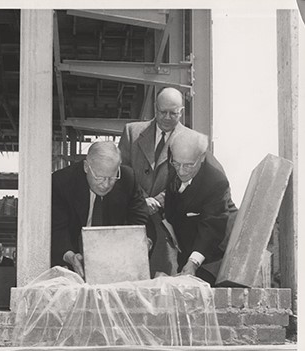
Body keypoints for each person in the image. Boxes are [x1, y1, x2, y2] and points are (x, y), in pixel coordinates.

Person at [51, 141, 151, 279]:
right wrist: (70, 256)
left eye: (111, 178)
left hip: (115, 260)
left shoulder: (128, 178)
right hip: (73, 259)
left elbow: (141, 220)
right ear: (86, 167)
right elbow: (57, 229)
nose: (105, 185)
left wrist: (142, 241)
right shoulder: (62, 182)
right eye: (99, 178)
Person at [118, 87, 186, 273]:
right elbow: (121, 172)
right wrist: (141, 199)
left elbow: (186, 180)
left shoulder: (191, 140)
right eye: (162, 112)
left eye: (173, 113)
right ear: (155, 108)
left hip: (167, 223)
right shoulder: (131, 132)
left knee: (164, 278)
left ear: (182, 111)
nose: (166, 117)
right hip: (132, 218)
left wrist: (158, 200)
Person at [164, 128, 237, 286]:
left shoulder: (216, 182)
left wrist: (193, 262)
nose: (181, 171)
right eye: (176, 164)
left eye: (188, 166)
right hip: (187, 248)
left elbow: (212, 227)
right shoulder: (176, 165)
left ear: (202, 157)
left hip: (213, 256)